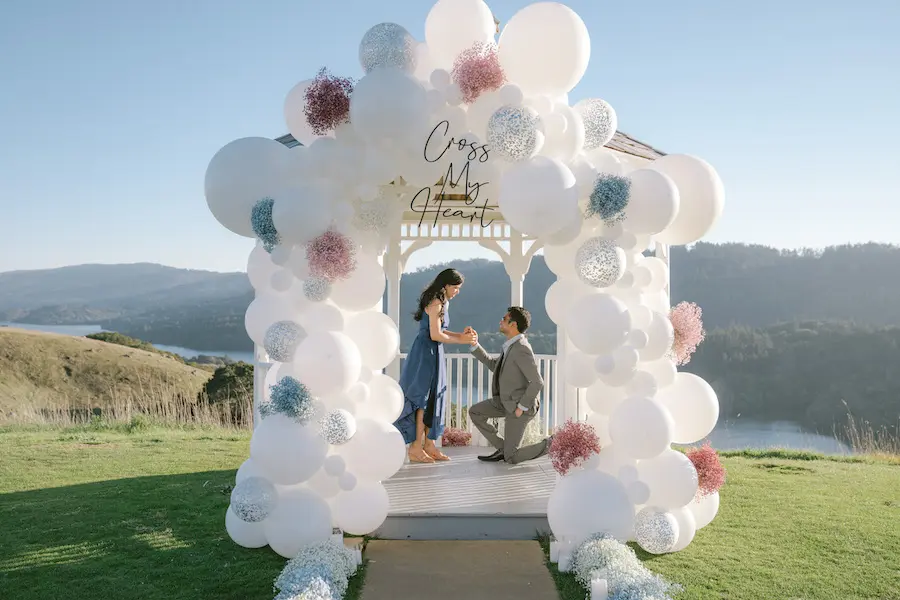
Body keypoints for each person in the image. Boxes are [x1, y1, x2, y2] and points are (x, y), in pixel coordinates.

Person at [393, 268, 476, 464]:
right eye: (456, 287)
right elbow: (434, 334)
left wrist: (462, 336)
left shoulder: (442, 302)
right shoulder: (436, 301)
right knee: (422, 399)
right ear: (446, 285)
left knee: (433, 399)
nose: (457, 291)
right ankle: (415, 448)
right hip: (425, 352)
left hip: (434, 351)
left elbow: (441, 331)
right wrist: (462, 341)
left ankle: (429, 445)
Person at [466, 306, 552, 464]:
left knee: (511, 457)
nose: (501, 321)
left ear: (514, 324)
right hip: (504, 402)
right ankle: (502, 448)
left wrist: (521, 408)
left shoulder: (521, 348)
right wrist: (475, 345)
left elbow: (537, 382)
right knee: (475, 412)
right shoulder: (510, 346)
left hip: (518, 406)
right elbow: (494, 365)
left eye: (504, 319)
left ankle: (551, 444)